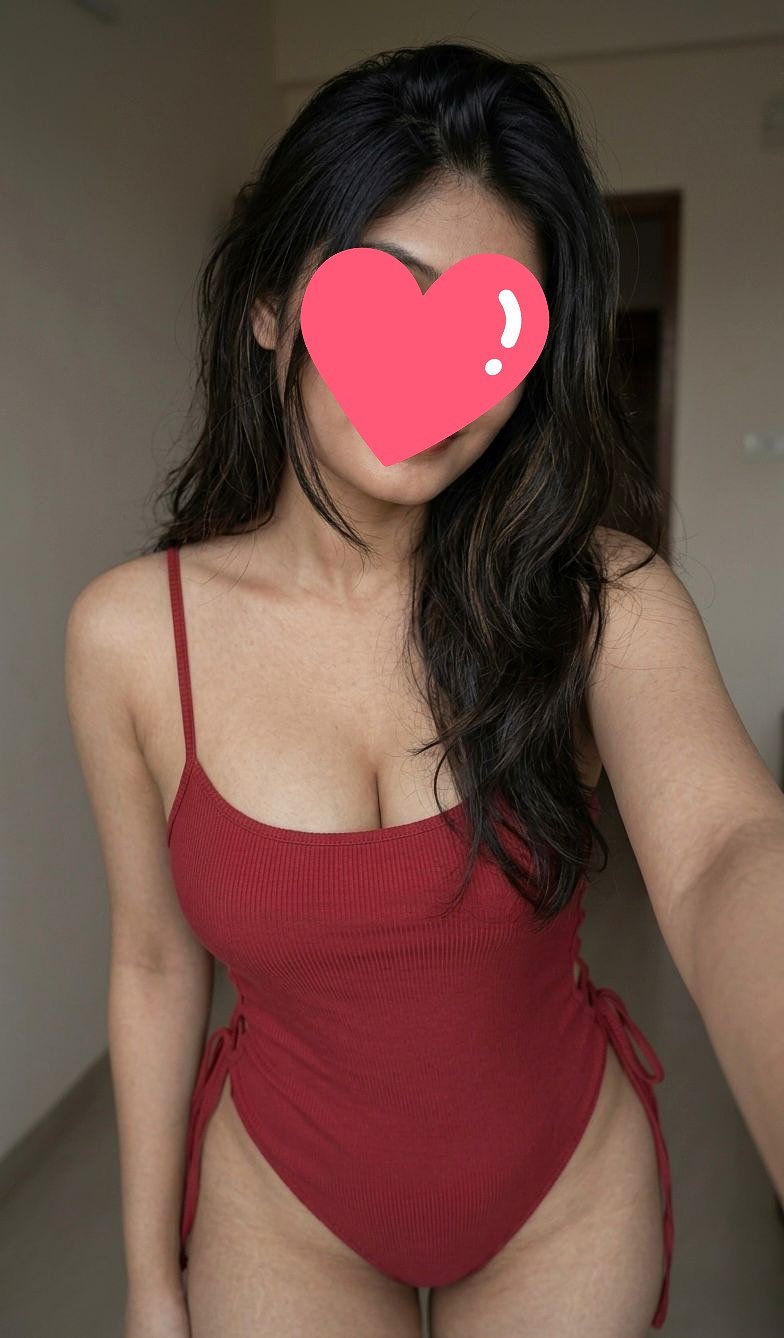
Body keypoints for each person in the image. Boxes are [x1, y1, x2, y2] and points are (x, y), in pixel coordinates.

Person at [65, 40, 784, 1338]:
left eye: (491, 324)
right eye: (384, 289)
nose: (434, 368)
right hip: (285, 1205)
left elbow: (729, 851)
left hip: (561, 1199)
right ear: (271, 305)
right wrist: (148, 1282)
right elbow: (154, 956)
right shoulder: (129, 635)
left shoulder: (601, 600)